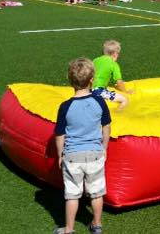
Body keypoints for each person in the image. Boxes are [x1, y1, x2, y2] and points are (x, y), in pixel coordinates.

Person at [54, 58, 112, 234]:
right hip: (95, 153)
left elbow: (60, 135)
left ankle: (69, 229)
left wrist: (60, 154)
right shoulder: (99, 102)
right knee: (96, 193)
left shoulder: (65, 106)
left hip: (72, 155)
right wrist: (104, 148)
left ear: (69, 80)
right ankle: (97, 224)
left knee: (72, 194)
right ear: (92, 80)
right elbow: (106, 127)